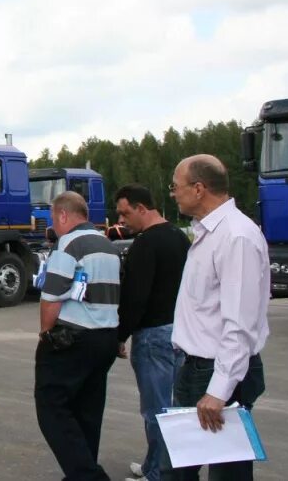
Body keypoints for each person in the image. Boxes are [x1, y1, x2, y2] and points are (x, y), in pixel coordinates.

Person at [161, 154, 270, 481]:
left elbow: (239, 323)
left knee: (223, 473)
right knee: (179, 470)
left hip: (216, 372)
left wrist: (219, 390)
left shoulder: (236, 236)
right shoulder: (211, 232)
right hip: (197, 367)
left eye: (175, 186)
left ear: (198, 188)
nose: (172, 193)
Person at [35, 191, 121, 481]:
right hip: (106, 337)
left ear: (63, 215)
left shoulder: (68, 245)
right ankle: (81, 472)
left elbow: (52, 297)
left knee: (51, 407)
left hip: (74, 338)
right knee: (88, 410)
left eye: (53, 219)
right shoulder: (108, 245)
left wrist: (46, 334)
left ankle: (88, 476)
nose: (53, 226)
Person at [114, 184, 189, 481]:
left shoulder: (145, 244)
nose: (121, 220)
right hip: (179, 332)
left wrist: (120, 334)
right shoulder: (179, 237)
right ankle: (154, 464)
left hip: (154, 337)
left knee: (157, 410)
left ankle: (158, 473)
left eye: (125, 212)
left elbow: (135, 296)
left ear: (142, 208)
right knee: (171, 406)